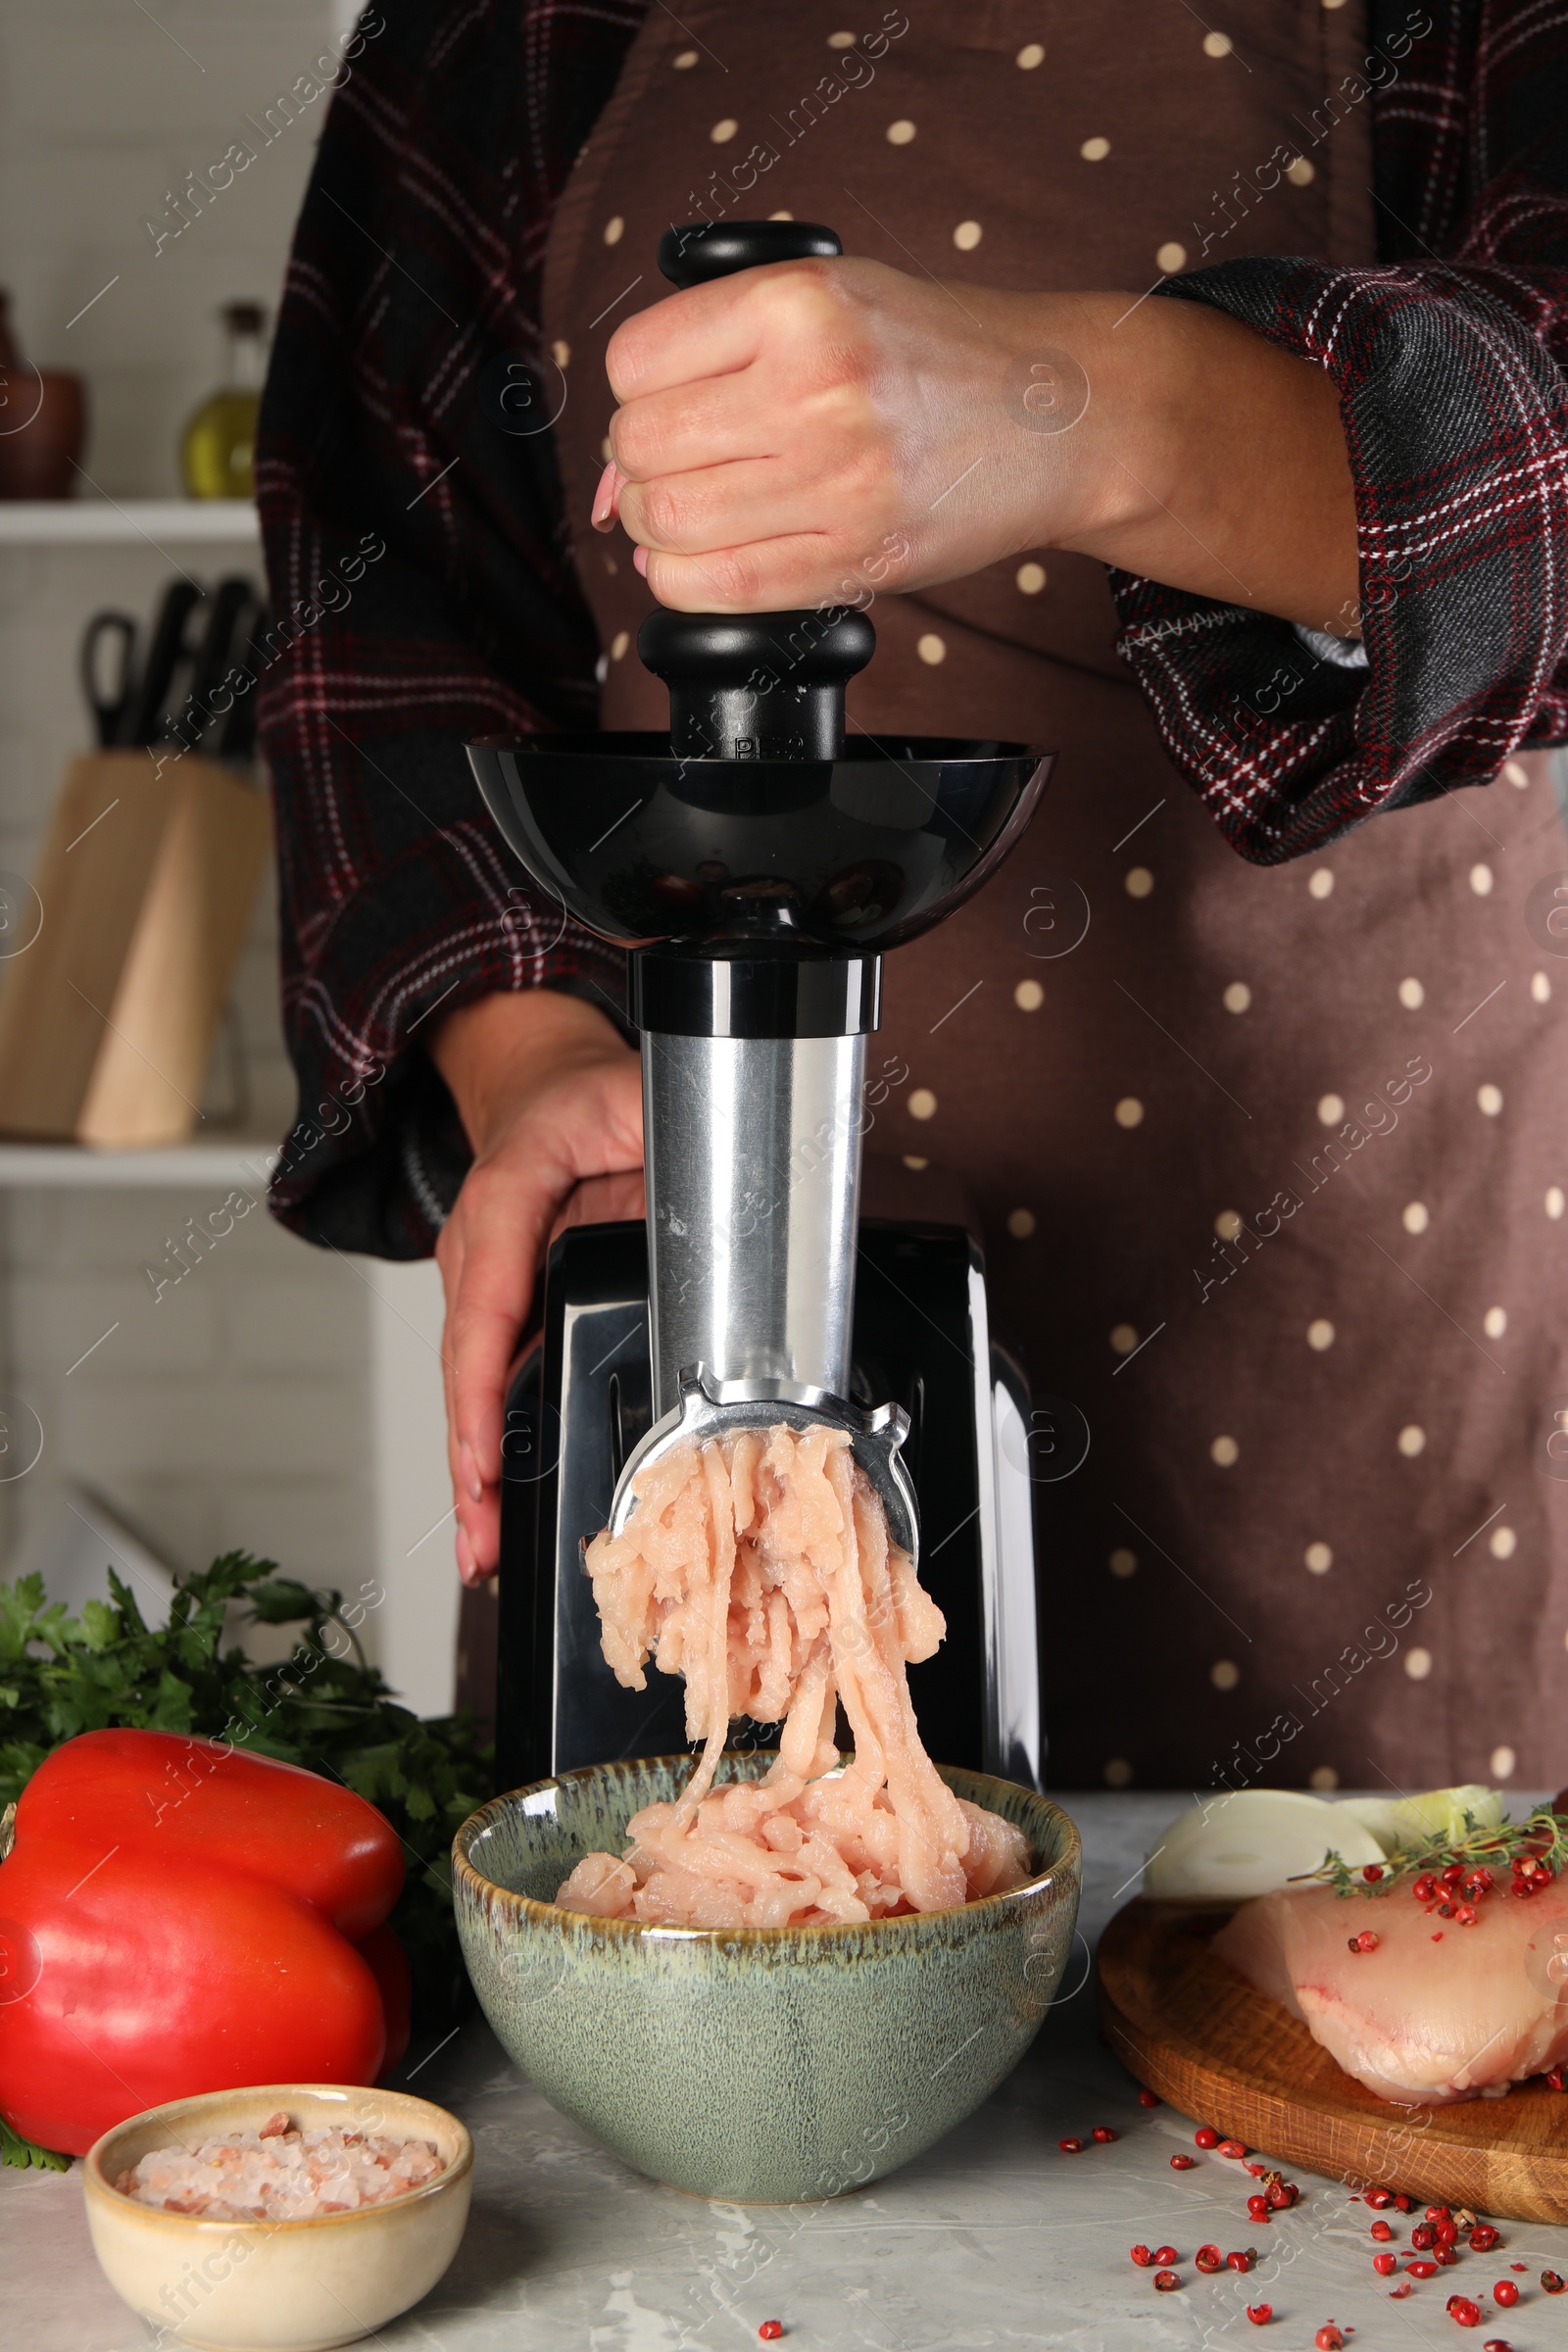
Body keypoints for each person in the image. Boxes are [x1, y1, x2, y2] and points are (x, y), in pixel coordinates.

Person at [255, 1, 1568, 1790]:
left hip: (1339, 1323)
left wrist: (1084, 417)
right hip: (692, 1281)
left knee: (1331, 2007)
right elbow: (382, 601)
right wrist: (535, 1055)